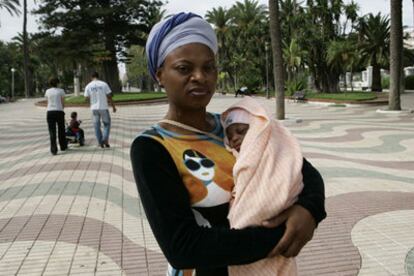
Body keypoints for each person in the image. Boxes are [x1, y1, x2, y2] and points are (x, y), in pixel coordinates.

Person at [130, 12, 326, 276]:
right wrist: (284, 235)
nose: (200, 76)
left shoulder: (234, 127)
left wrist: (309, 210)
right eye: (184, 68)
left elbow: (298, 167)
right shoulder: (153, 147)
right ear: (160, 75)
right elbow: (183, 247)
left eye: (208, 67)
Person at [222, 96, 304, 275]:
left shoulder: (273, 152)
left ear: (257, 130)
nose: (234, 138)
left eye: (241, 131)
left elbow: (293, 177)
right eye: (229, 136)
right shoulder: (238, 156)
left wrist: (310, 209)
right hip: (243, 246)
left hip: (265, 237)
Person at [84, 72, 117, 148]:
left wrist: (91, 101)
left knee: (96, 126)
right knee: (107, 124)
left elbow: (86, 98)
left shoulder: (88, 86)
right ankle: (105, 139)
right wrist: (113, 106)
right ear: (98, 76)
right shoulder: (104, 84)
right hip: (103, 107)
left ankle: (100, 142)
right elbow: (109, 96)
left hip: (94, 108)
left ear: (91, 77)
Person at [45, 77, 67, 155]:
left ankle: (53, 150)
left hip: (50, 112)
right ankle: (63, 146)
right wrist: (62, 109)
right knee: (61, 129)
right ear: (57, 83)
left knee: (52, 131)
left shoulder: (47, 91)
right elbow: (62, 102)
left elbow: (48, 102)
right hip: (59, 111)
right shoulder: (61, 91)